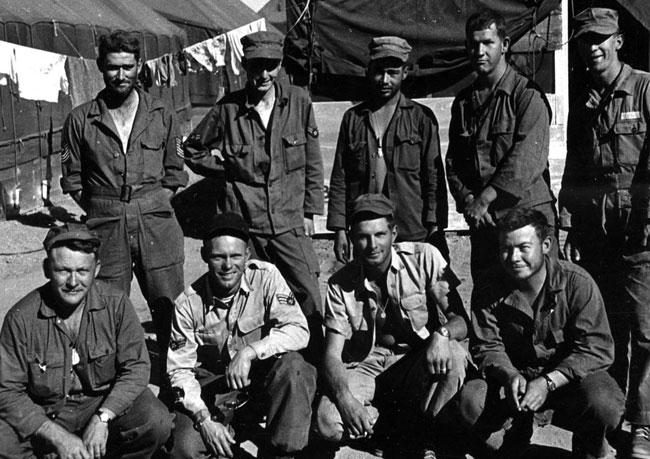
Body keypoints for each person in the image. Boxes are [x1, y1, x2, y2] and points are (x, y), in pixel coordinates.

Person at [182, 31, 325, 364]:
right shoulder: (229, 109)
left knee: (309, 295)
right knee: (253, 303)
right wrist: (225, 169)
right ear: (245, 66)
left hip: (289, 220)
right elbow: (192, 148)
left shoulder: (299, 101)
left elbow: (313, 161)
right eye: (256, 67)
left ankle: (317, 366)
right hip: (248, 223)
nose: (263, 75)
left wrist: (310, 211)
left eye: (271, 66)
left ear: (280, 65)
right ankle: (260, 370)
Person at [60, 31, 188, 357]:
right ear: (101, 66)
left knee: (170, 306)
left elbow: (175, 171)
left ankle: (178, 381)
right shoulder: (80, 120)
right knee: (105, 307)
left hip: (155, 220)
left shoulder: (162, 113)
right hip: (106, 223)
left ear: (139, 65)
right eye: (113, 67)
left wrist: (154, 203)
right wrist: (102, 209)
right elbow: (73, 180)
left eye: (128, 67)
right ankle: (116, 381)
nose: (121, 76)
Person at [458, 208, 624, 459]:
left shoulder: (577, 282)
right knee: (471, 400)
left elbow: (596, 348)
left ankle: (591, 445)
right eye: (506, 248)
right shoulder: (488, 287)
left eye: (524, 247)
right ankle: (521, 448)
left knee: (606, 404)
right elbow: (487, 346)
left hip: (569, 384)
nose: (513, 257)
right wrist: (509, 375)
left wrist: (549, 382)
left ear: (546, 245)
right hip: (517, 387)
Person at [559, 8, 650, 456]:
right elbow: (576, 169)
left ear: (618, 41)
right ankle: (609, 424)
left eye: (600, 38)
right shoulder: (586, 102)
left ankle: (644, 424)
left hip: (640, 236)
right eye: (584, 39)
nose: (592, 46)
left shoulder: (645, 88)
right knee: (605, 332)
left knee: (645, 331)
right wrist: (569, 223)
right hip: (598, 237)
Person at [0, 223, 173, 459]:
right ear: (46, 268)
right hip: (47, 411)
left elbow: (136, 368)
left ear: (96, 269)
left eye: (82, 271)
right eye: (63, 270)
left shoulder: (116, 304)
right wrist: (56, 437)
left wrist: (104, 417)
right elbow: (7, 391)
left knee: (156, 420)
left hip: (99, 404)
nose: (73, 282)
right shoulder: (21, 318)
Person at [316, 193, 470, 457]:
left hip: (416, 359)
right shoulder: (339, 283)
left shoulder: (425, 257)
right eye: (363, 236)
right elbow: (331, 355)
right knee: (327, 422)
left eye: (380, 235)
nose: (372, 245)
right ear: (352, 238)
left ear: (394, 234)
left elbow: (461, 320)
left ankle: (419, 431)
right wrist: (345, 400)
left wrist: (442, 334)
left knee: (454, 354)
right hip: (369, 364)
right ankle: (397, 429)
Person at [167, 212, 316, 459]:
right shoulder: (187, 304)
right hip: (217, 391)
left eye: (235, 256)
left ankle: (282, 453)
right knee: (185, 449)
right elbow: (179, 371)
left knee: (294, 368)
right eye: (218, 257)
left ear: (247, 255)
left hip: (262, 380)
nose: (228, 265)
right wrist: (204, 420)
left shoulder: (266, 277)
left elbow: (298, 330)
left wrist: (250, 352)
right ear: (205, 256)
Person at [445, 9, 556, 279]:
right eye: (473, 44)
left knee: (541, 302)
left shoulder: (526, 95)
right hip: (486, 224)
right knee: (490, 308)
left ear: (504, 45)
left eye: (488, 43)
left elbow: (526, 159)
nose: (479, 51)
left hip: (527, 219)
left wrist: (483, 199)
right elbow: (454, 162)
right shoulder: (463, 103)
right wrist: (470, 199)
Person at [327, 36, 448, 263]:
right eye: (378, 71)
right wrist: (340, 229)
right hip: (368, 230)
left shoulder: (421, 118)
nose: (384, 80)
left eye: (392, 73)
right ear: (368, 70)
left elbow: (433, 178)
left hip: (411, 227)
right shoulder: (353, 119)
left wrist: (434, 227)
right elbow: (340, 177)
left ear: (405, 73)